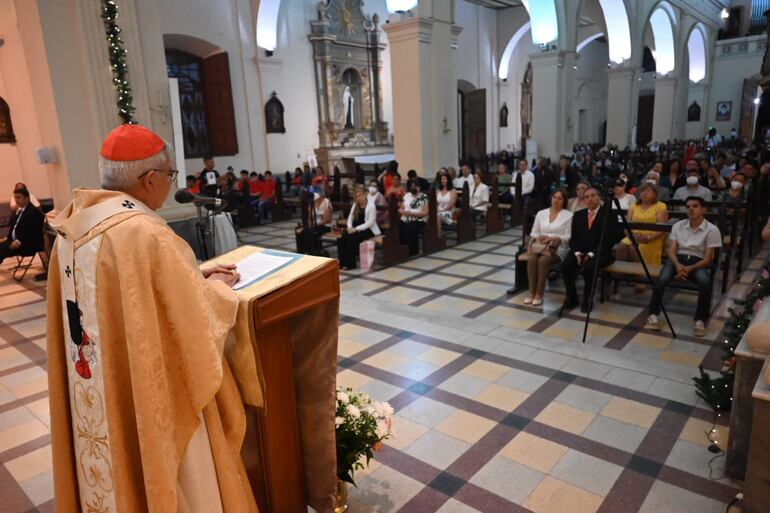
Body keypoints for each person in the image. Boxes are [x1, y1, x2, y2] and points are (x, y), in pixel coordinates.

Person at [46, 124, 258, 513]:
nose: (170, 183)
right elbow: (193, 320)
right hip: (147, 393)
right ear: (148, 179)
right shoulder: (145, 233)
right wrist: (218, 289)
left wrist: (196, 275)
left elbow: (132, 299)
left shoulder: (71, 228)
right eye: (170, 175)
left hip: (97, 386)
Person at [647, 196, 722, 337]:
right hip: (677, 259)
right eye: (688, 207)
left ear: (703, 209)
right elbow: (671, 250)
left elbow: (708, 258)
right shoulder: (678, 226)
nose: (691, 209)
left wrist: (689, 268)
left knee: (705, 282)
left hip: (698, 261)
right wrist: (678, 265)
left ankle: (700, 319)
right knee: (662, 279)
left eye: (695, 206)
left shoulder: (712, 230)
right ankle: (653, 314)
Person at [561, 187, 622, 313]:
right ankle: (572, 297)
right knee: (565, 266)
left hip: (601, 252)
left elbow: (612, 238)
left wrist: (591, 254)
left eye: (593, 195)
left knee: (589, 267)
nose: (590, 199)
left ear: (599, 197)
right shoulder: (578, 215)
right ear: (584, 200)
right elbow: (573, 238)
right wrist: (577, 253)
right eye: (586, 197)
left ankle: (588, 299)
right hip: (581, 251)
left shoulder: (609, 214)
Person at [523, 188, 572, 306]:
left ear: (564, 201)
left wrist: (554, 238)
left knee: (543, 260)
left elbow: (568, 236)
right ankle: (531, 292)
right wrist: (539, 237)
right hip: (540, 246)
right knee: (532, 258)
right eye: (554, 197)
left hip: (558, 248)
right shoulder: (541, 213)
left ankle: (539, 294)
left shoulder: (569, 215)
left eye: (560, 198)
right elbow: (534, 232)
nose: (556, 200)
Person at [616, 182, 669, 266]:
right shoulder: (633, 206)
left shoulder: (661, 206)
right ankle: (620, 272)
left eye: (647, 191)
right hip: (634, 236)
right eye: (642, 191)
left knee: (634, 248)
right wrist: (632, 236)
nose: (644, 193)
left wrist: (647, 238)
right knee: (622, 246)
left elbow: (662, 229)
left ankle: (643, 272)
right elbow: (626, 226)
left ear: (654, 194)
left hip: (652, 238)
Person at [337, 185, 380, 270]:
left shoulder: (371, 206)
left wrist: (356, 229)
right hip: (355, 228)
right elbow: (350, 217)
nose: (359, 198)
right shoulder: (355, 205)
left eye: (360, 195)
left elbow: (370, 222)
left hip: (368, 230)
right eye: (356, 196)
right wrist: (349, 227)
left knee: (351, 239)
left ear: (365, 194)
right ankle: (342, 262)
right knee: (343, 237)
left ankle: (350, 264)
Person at [0, 187, 45, 265]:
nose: (16, 200)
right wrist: (7, 238)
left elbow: (33, 232)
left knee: (1, 250)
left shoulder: (33, 212)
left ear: (27, 198)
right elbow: (15, 228)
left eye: (18, 197)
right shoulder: (21, 210)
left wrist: (19, 241)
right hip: (15, 241)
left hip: (27, 245)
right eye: (15, 198)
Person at [399, 179, 428, 256]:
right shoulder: (407, 195)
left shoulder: (423, 196)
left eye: (415, 186)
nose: (413, 187)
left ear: (419, 187)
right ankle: (402, 249)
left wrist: (411, 213)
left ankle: (413, 251)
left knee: (409, 229)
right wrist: (402, 212)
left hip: (418, 219)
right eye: (412, 186)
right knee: (398, 227)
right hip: (405, 217)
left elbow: (425, 213)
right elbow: (401, 208)